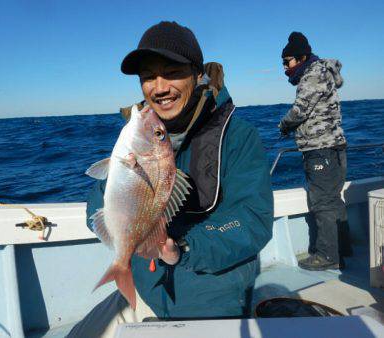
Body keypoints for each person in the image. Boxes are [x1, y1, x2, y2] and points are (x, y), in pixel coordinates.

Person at [68, 21, 273, 338]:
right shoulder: (137, 135)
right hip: (143, 285)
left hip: (211, 295)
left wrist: (183, 247)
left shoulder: (238, 136)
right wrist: (125, 221)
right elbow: (98, 202)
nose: (159, 86)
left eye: (172, 71)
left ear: (197, 73)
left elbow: (254, 220)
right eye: (148, 76)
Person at [278, 32, 351, 271]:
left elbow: (299, 111)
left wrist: (283, 125)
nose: (285, 67)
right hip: (334, 147)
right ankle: (343, 250)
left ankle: (327, 255)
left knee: (322, 202)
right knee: (334, 199)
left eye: (286, 62)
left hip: (320, 150)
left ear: (301, 58)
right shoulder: (321, 73)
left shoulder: (311, 76)